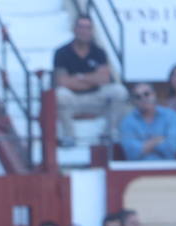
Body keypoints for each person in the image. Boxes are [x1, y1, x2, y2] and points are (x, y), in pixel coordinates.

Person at [52, 15, 128, 147]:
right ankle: (69, 136)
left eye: (88, 27)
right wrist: (93, 78)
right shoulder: (61, 52)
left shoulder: (99, 52)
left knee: (119, 91)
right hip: (72, 99)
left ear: (92, 30)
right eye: (81, 26)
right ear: (74, 29)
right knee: (60, 94)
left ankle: (107, 134)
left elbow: (104, 78)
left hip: (96, 97)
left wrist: (79, 77)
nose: (84, 30)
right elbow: (62, 82)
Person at [119, 83, 176, 161]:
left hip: (167, 169)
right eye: (138, 97)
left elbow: (171, 148)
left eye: (146, 94)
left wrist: (144, 147)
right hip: (138, 170)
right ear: (134, 101)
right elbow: (131, 153)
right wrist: (157, 141)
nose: (143, 98)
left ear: (154, 95)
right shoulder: (128, 122)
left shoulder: (170, 116)